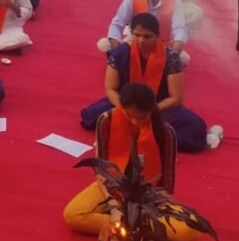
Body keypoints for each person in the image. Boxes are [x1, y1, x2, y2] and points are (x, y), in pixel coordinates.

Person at [64, 82, 201, 241]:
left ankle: (128, 225)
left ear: (151, 110)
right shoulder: (106, 120)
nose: (135, 122)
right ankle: (136, 227)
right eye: (129, 116)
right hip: (112, 186)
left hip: (148, 194)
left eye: (142, 117)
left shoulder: (165, 132)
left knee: (189, 229)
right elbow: (101, 171)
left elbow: (166, 186)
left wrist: (144, 211)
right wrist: (115, 207)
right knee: (73, 215)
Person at [80, 13, 206, 153]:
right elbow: (111, 89)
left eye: (147, 36)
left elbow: (176, 98)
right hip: (125, 104)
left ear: (157, 36)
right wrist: (126, 110)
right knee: (91, 116)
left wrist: (148, 112)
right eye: (137, 35)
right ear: (131, 33)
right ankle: (153, 134)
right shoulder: (119, 53)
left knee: (196, 129)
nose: (141, 40)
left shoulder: (170, 58)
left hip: (158, 106)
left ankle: (136, 132)